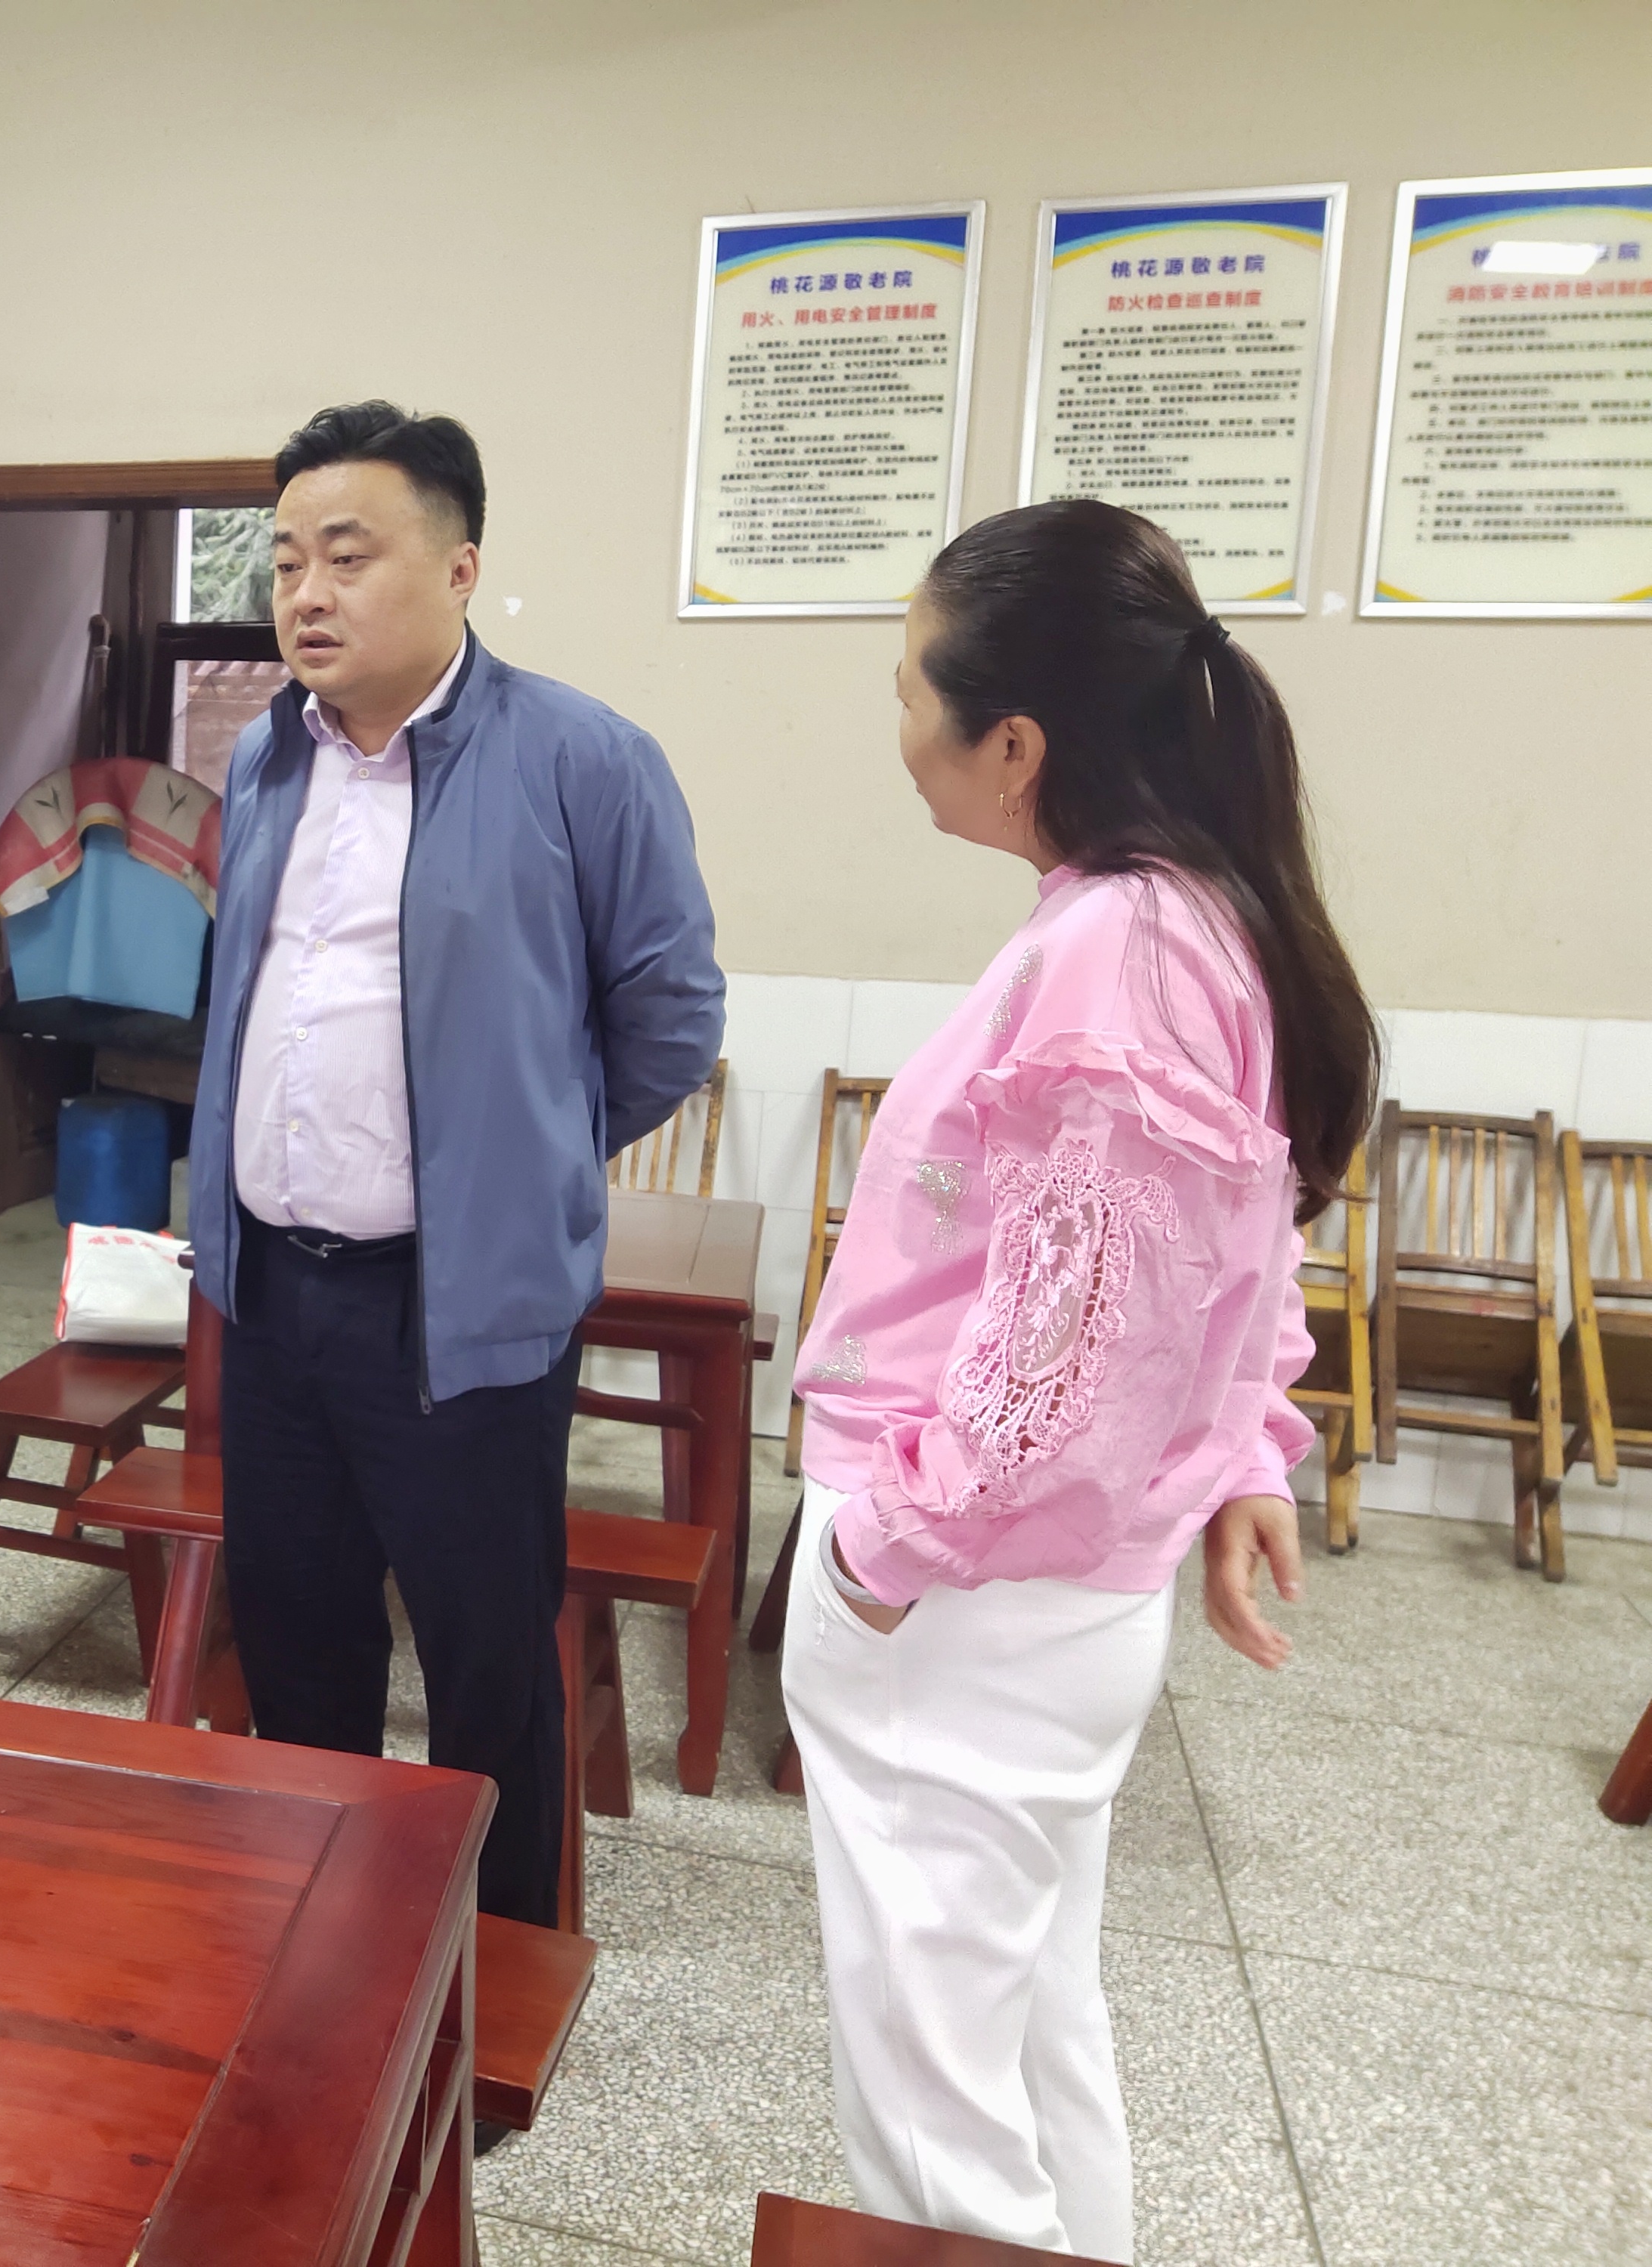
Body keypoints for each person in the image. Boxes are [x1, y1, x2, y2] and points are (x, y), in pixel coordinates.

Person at [783, 499, 1375, 2261]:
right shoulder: (1192, 917)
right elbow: (1224, 1251)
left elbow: (1076, 1335)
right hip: (1042, 1594)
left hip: (967, 1595)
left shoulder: (1113, 946)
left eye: (911, 690)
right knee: (1031, 2032)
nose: (899, 729)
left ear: (1014, 746)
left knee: (933, 2113)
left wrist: (883, 1546)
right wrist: (1244, 1450)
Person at [187, 401, 725, 1941]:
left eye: (347, 556)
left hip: (458, 1304)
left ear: (461, 566)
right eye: (287, 561)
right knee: (298, 1648)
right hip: (274, 1294)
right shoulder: (265, 761)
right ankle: (324, 1963)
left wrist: (519, 1153)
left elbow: (669, 1020)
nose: (305, 594)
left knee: (485, 1666)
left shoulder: (583, 759)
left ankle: (497, 1978)